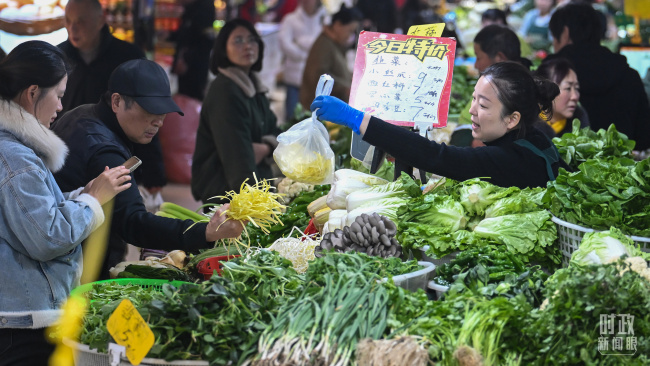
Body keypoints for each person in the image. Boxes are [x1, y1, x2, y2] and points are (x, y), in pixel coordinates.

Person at [52, 59, 245, 280]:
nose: (159, 122)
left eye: (163, 112)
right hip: (75, 266)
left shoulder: (82, 114)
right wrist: (206, 232)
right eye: (151, 110)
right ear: (117, 102)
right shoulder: (104, 150)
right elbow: (135, 224)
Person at [0, 41, 131, 365]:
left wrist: (80, 195)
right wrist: (92, 200)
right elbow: (48, 237)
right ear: (32, 93)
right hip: (24, 324)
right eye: (58, 95)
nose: (60, 105)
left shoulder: (15, 150)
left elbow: (26, 216)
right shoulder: (16, 158)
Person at [311, 61, 571, 189]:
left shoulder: (511, 159)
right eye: (473, 99)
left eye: (483, 105)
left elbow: (439, 157)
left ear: (512, 119)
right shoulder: (534, 138)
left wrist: (355, 118)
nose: (471, 110)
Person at [59, 0, 167, 208]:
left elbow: (148, 115)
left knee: (117, 228)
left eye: (81, 21)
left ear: (101, 20)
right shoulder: (58, 57)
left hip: (118, 159)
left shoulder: (128, 57)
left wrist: (155, 174)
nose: (73, 28)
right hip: (69, 161)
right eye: (68, 21)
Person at [191, 19, 281, 207]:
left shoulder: (254, 87)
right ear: (224, 49)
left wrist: (265, 147)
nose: (247, 46)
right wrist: (254, 208)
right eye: (238, 41)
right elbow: (238, 159)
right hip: (227, 195)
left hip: (255, 188)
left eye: (252, 40)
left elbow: (277, 131)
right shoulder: (226, 91)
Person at [547, 1, 650, 151]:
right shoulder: (629, 76)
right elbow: (644, 140)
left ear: (565, 33)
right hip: (622, 168)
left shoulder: (549, 75)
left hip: (560, 169)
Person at [456, 25, 533, 146]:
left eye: (479, 57)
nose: (475, 65)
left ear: (499, 58)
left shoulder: (524, 91)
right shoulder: (488, 86)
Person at [299, 5, 362, 110]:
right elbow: (318, 76)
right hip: (318, 110)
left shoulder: (334, 43)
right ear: (337, 25)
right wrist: (345, 88)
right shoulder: (324, 45)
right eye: (349, 31)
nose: (350, 36)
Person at [278, 0, 326, 122]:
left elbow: (325, 45)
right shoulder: (290, 19)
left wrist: (300, 43)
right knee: (292, 118)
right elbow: (285, 44)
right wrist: (309, 55)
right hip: (294, 78)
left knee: (316, 119)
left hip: (317, 78)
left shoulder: (325, 19)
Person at [169, 0, 215, 101]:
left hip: (194, 69)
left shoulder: (203, 11)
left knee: (191, 100)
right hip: (189, 67)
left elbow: (205, 42)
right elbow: (184, 34)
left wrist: (186, 60)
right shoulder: (190, 10)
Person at [535, 57, 589, 136]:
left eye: (576, 88)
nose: (574, 97)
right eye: (568, 88)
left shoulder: (579, 117)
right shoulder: (525, 125)